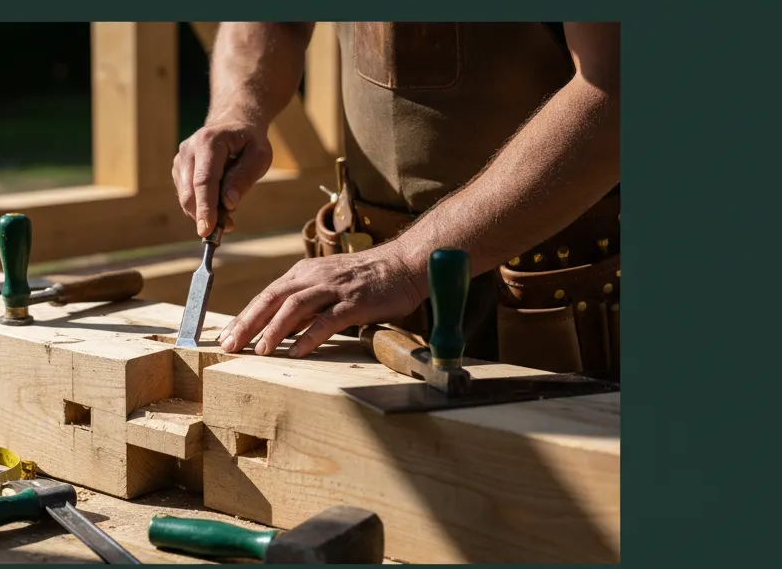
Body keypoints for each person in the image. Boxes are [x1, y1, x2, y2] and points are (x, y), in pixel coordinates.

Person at [171, 22, 620, 379]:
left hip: (556, 302)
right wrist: (238, 109)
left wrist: (405, 264)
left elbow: (615, 84)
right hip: (370, 306)